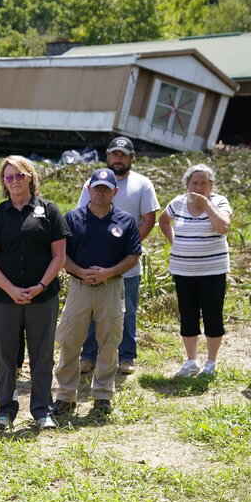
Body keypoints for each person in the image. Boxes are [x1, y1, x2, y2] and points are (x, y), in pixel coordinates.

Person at [0, 156, 70, 430]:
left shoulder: (50, 211)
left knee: (42, 355)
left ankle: (42, 411)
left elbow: (59, 257)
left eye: (19, 175)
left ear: (30, 176)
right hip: (3, 298)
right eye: (8, 177)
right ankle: (4, 412)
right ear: (3, 183)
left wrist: (40, 285)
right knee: (5, 356)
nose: (14, 181)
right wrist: (12, 289)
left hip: (43, 296)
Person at [53, 168, 141, 417]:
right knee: (70, 341)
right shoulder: (72, 218)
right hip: (79, 288)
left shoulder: (126, 221)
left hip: (111, 287)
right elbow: (61, 255)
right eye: (96, 188)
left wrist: (109, 272)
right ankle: (65, 395)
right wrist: (79, 271)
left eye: (106, 189)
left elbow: (133, 256)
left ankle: (102, 395)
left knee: (109, 343)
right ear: (89, 189)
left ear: (115, 191)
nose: (100, 192)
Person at [77, 137, 159, 375]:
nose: (118, 159)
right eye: (114, 154)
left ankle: (126, 356)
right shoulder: (92, 183)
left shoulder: (142, 184)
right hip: (95, 262)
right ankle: (89, 355)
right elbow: (83, 216)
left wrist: (128, 249)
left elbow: (149, 219)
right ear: (108, 156)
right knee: (93, 310)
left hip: (127, 264)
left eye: (123, 154)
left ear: (132, 157)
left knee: (128, 311)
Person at [157, 164, 233, 377]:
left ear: (212, 185)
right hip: (183, 269)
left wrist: (207, 206)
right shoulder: (178, 203)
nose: (198, 187)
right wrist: (175, 242)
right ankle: (191, 361)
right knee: (188, 314)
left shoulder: (219, 202)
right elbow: (163, 220)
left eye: (204, 183)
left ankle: (211, 362)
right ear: (187, 185)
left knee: (212, 314)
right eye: (194, 183)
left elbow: (223, 227)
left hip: (212, 270)